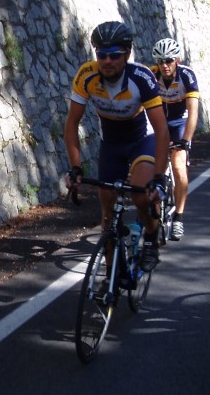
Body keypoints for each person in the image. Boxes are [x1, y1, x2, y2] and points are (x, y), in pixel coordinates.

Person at [64, 21, 170, 275]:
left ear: (127, 54)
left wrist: (159, 177)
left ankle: (152, 238)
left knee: (141, 195)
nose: (107, 60)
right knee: (108, 216)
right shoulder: (86, 75)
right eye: (101, 54)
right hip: (110, 142)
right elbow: (71, 125)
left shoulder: (141, 77)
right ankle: (110, 275)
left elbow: (163, 129)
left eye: (114, 54)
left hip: (141, 139)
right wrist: (76, 167)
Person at [149, 38, 200, 240]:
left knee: (179, 167)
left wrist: (186, 140)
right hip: (160, 122)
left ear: (177, 60)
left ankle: (178, 217)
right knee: (155, 169)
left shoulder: (187, 75)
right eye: (160, 61)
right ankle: (156, 218)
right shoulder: (152, 75)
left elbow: (193, 111)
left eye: (169, 60)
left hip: (179, 122)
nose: (164, 65)